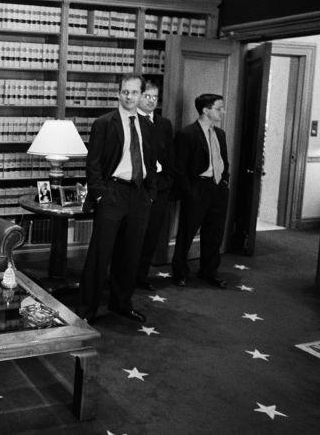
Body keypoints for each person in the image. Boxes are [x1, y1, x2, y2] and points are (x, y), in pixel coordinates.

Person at [79, 73, 155, 324]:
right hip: (112, 193)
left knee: (130, 254)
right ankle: (87, 309)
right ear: (118, 93)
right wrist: (100, 195)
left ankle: (121, 303)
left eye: (134, 92)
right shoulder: (104, 123)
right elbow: (93, 163)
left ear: (141, 95)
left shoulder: (147, 124)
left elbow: (150, 161)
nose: (129, 96)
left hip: (139, 195)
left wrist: (149, 193)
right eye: (125, 91)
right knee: (100, 255)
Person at [172, 93, 229, 289]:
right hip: (197, 189)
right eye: (218, 108)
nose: (223, 111)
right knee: (187, 233)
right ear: (205, 110)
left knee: (214, 234)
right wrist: (190, 192)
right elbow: (178, 168)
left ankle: (209, 272)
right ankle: (179, 272)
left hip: (218, 189)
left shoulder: (220, 134)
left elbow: (223, 161)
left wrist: (225, 182)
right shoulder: (187, 134)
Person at [135, 80, 175, 291]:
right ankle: (125, 277)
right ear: (138, 97)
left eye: (154, 97)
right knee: (133, 236)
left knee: (152, 235)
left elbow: (170, 156)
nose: (151, 101)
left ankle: (141, 276)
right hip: (137, 189)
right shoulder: (131, 121)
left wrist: (167, 183)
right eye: (147, 96)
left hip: (159, 189)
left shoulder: (164, 124)